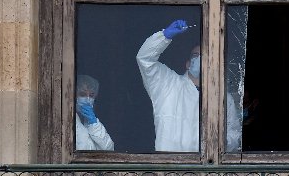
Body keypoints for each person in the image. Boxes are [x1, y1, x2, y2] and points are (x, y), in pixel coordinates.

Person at [136, 19, 241, 153]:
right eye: (196, 55)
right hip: (169, 169)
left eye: (206, 57)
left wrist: (223, 141)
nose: (201, 60)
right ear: (188, 63)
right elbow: (145, 59)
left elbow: (234, 132)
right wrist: (164, 36)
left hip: (206, 171)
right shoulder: (167, 84)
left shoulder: (223, 98)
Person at [74, 74, 114, 151]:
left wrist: (94, 123)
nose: (87, 99)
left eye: (91, 95)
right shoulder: (66, 120)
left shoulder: (91, 121)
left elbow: (109, 148)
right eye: (82, 94)